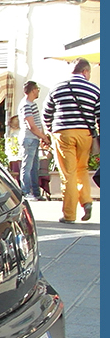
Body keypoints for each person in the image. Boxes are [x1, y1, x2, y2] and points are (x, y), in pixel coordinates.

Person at [44, 58, 100, 223]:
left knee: (68, 173)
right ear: (85, 71)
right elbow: (100, 116)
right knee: (82, 169)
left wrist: (49, 130)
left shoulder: (57, 87)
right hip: (86, 135)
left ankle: (69, 215)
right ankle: (86, 201)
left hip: (63, 133)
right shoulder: (94, 90)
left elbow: (47, 113)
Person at [18, 81, 51, 201]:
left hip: (33, 138)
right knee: (28, 167)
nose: (38, 91)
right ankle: (26, 192)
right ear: (33, 90)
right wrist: (44, 137)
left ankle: (36, 192)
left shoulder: (31, 104)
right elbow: (31, 125)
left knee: (34, 167)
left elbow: (36, 123)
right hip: (29, 138)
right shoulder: (26, 105)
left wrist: (41, 136)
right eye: (37, 89)